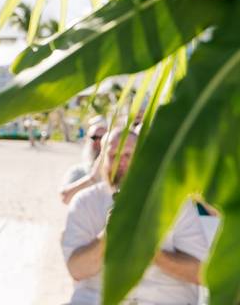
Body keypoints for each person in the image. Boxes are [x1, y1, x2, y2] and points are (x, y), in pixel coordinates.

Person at [62, 129, 209, 304]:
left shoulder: (175, 203)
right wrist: (109, 236)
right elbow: (76, 270)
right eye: (113, 155)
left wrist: (149, 251)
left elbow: (201, 274)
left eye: (127, 155)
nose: (121, 162)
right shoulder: (84, 202)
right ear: (101, 159)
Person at [60, 116, 107, 204]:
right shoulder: (78, 170)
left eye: (103, 138)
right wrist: (92, 178)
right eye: (94, 137)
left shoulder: (120, 171)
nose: (98, 141)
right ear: (87, 139)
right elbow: (64, 198)